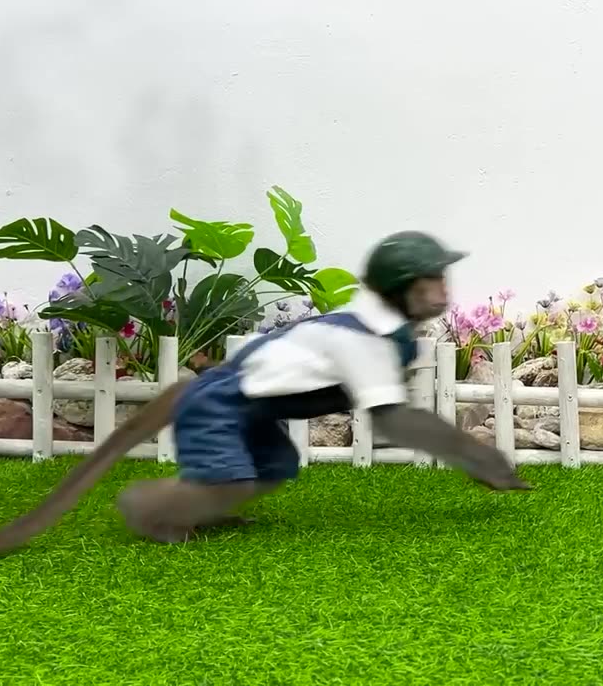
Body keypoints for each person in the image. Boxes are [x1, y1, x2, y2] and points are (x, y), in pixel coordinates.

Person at [115, 230, 529, 543]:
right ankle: (149, 509)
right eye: (432, 280)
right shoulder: (363, 338)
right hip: (222, 403)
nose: (444, 289)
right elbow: (394, 420)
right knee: (231, 477)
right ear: (403, 288)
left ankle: (203, 508)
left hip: (253, 403)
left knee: (274, 466)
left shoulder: (380, 330)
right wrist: (476, 456)